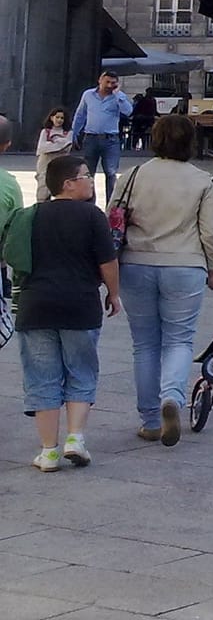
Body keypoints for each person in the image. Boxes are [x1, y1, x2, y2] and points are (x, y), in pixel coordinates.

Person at [115, 114, 213, 447]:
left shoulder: (132, 175)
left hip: (136, 262)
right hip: (185, 264)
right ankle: (172, 396)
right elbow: (209, 233)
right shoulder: (201, 181)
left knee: (144, 344)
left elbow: (112, 218)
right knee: (179, 340)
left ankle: (150, 420)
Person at [11, 153, 121, 471]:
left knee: (41, 377)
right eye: (86, 175)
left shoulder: (30, 215)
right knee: (81, 371)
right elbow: (108, 261)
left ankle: (48, 451)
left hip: (35, 306)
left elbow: (14, 257)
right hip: (80, 306)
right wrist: (114, 294)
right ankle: (75, 439)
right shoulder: (92, 216)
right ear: (68, 183)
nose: (91, 181)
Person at [73, 73, 132, 206]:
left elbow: (128, 111)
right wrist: (74, 133)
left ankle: (111, 206)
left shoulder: (118, 97)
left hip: (111, 140)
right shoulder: (88, 95)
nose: (110, 85)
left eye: (113, 83)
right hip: (91, 138)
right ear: (100, 80)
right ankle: (89, 204)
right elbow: (80, 114)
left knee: (111, 173)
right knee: (88, 172)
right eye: (107, 82)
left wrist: (118, 94)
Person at [34, 108, 73, 203]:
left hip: (61, 165)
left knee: (61, 188)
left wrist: (52, 143)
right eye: (57, 117)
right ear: (52, 118)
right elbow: (42, 148)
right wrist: (59, 144)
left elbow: (67, 147)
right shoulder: (45, 132)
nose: (59, 120)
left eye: (62, 118)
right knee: (43, 189)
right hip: (45, 164)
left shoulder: (68, 133)